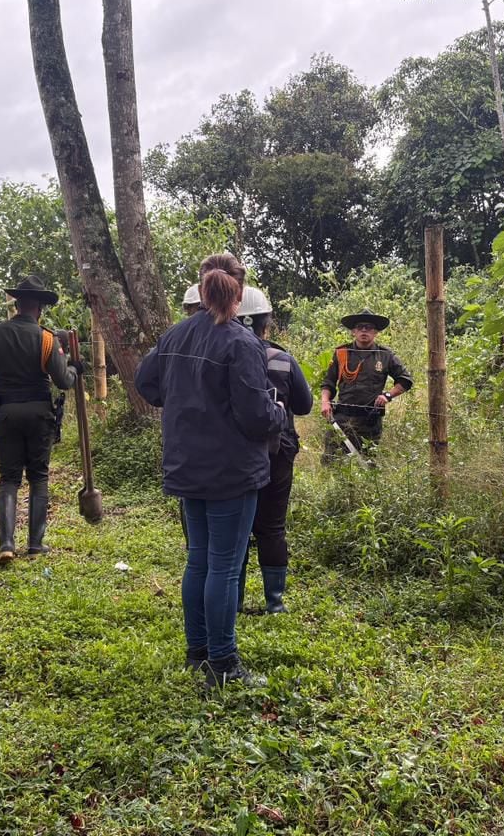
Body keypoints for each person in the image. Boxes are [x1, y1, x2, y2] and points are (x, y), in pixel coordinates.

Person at [136, 254, 286, 689]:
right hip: (232, 472)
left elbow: (147, 383)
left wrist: (185, 400)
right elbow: (257, 416)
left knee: (198, 561)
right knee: (223, 565)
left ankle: (197, 651)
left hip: (188, 466)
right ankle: (223, 664)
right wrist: (276, 412)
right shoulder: (241, 343)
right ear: (238, 293)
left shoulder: (175, 334)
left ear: (201, 290)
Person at [0, 275, 80, 565]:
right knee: (38, 477)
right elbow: (63, 381)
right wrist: (74, 369)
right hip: (39, 413)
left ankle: (6, 545)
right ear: (40, 308)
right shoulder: (47, 338)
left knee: (9, 479)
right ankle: (35, 544)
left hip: (5, 413)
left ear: (16, 305)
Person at [234, 286, 312, 614]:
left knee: (234, 529)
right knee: (273, 526)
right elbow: (305, 406)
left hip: (234, 456)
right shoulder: (283, 359)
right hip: (277, 454)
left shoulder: (224, 356)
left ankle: (232, 602)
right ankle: (275, 603)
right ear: (266, 323)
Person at [320, 310, 413, 460]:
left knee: (367, 465)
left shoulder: (385, 355)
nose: (364, 330)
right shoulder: (341, 353)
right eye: (360, 327)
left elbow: (405, 380)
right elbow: (328, 383)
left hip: (369, 421)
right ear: (353, 331)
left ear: (376, 332)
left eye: (369, 327)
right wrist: (325, 402)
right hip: (342, 418)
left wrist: (387, 395)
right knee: (332, 462)